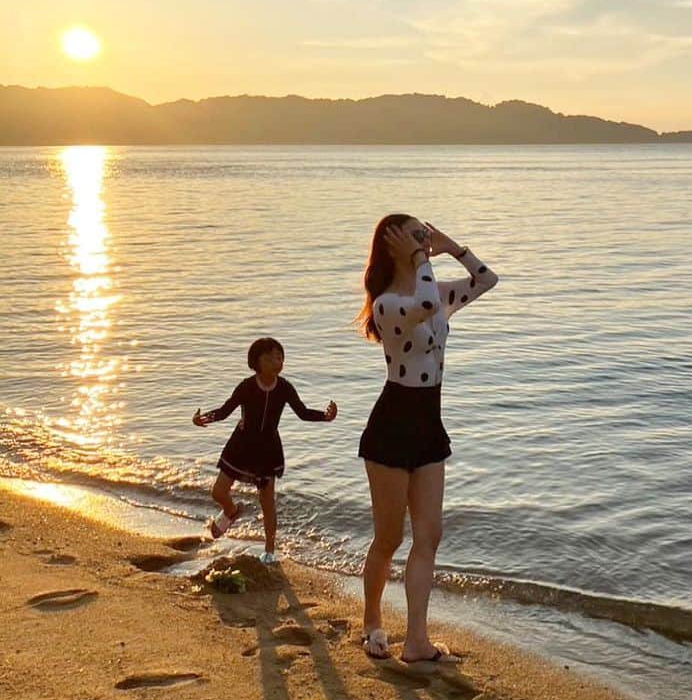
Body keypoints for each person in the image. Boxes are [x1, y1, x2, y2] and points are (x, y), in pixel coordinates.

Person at [357, 215, 498, 662]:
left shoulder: (433, 289)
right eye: (414, 234)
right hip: (391, 428)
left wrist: (450, 245)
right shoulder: (387, 304)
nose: (423, 240)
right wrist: (421, 258)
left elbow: (486, 279)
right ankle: (372, 622)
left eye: (424, 232)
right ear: (392, 244)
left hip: (429, 425)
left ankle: (416, 641)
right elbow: (425, 307)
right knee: (388, 539)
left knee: (429, 535)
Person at [194, 336, 337, 563]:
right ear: (256, 362)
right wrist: (204, 418)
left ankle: (269, 552)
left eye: (279, 357)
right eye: (270, 357)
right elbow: (224, 410)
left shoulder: (285, 388)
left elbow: (302, 412)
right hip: (240, 445)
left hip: (268, 449)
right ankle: (231, 511)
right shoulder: (247, 386)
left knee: (267, 502)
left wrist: (325, 416)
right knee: (218, 492)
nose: (276, 361)